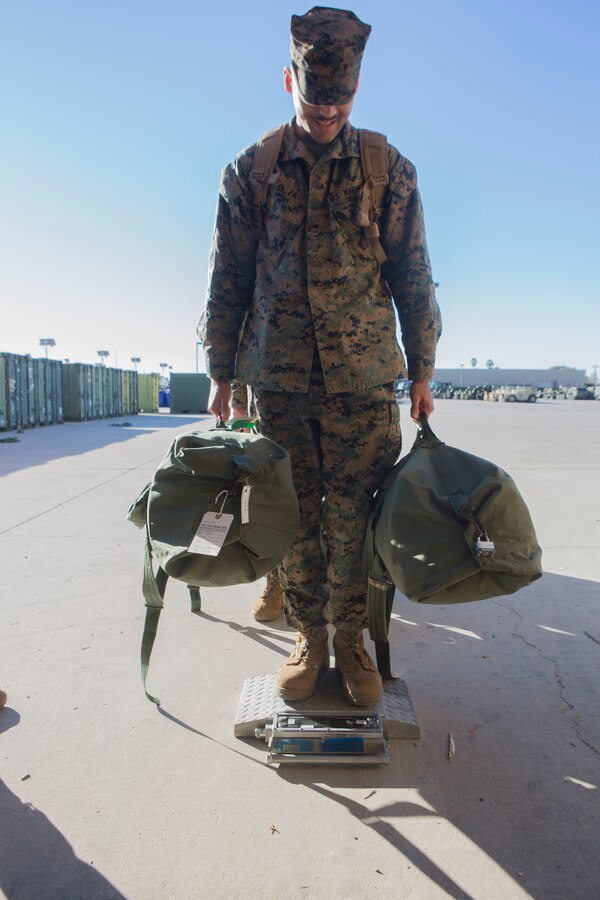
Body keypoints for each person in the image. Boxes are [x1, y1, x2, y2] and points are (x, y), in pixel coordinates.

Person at [200, 6, 441, 706]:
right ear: (288, 82)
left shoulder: (387, 169)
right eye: (315, 99)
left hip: (363, 382)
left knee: (360, 516)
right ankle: (309, 636)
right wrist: (221, 372)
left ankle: (355, 640)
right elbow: (229, 278)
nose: (329, 111)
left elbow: (413, 273)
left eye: (341, 100)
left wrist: (421, 369)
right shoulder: (252, 171)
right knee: (294, 516)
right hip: (276, 380)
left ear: (357, 93)